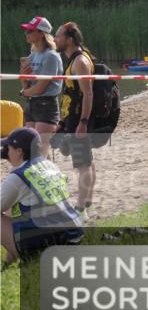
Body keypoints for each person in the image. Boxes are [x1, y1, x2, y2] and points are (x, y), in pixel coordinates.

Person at [2, 127, 84, 263]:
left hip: (48, 245)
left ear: (19, 151)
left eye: (8, 148)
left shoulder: (18, 177)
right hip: (74, 236)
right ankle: (7, 262)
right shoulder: (50, 166)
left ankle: (23, 257)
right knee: (15, 209)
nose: (6, 152)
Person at [52, 23, 98, 215]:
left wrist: (83, 123)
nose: (55, 40)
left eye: (58, 36)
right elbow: (71, 93)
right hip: (73, 118)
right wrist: (62, 122)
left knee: (83, 165)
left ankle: (80, 207)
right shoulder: (73, 60)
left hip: (79, 119)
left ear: (69, 40)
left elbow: (88, 94)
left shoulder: (79, 61)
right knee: (87, 162)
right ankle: (87, 202)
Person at [17, 17, 63, 157]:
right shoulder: (32, 55)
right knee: (33, 150)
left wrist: (24, 92)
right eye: (26, 31)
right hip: (32, 103)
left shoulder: (51, 56)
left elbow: (41, 88)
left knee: (41, 151)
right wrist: (24, 77)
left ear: (42, 33)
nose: (27, 34)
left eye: (30, 31)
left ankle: (52, 177)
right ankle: (48, 177)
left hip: (46, 104)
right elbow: (27, 84)